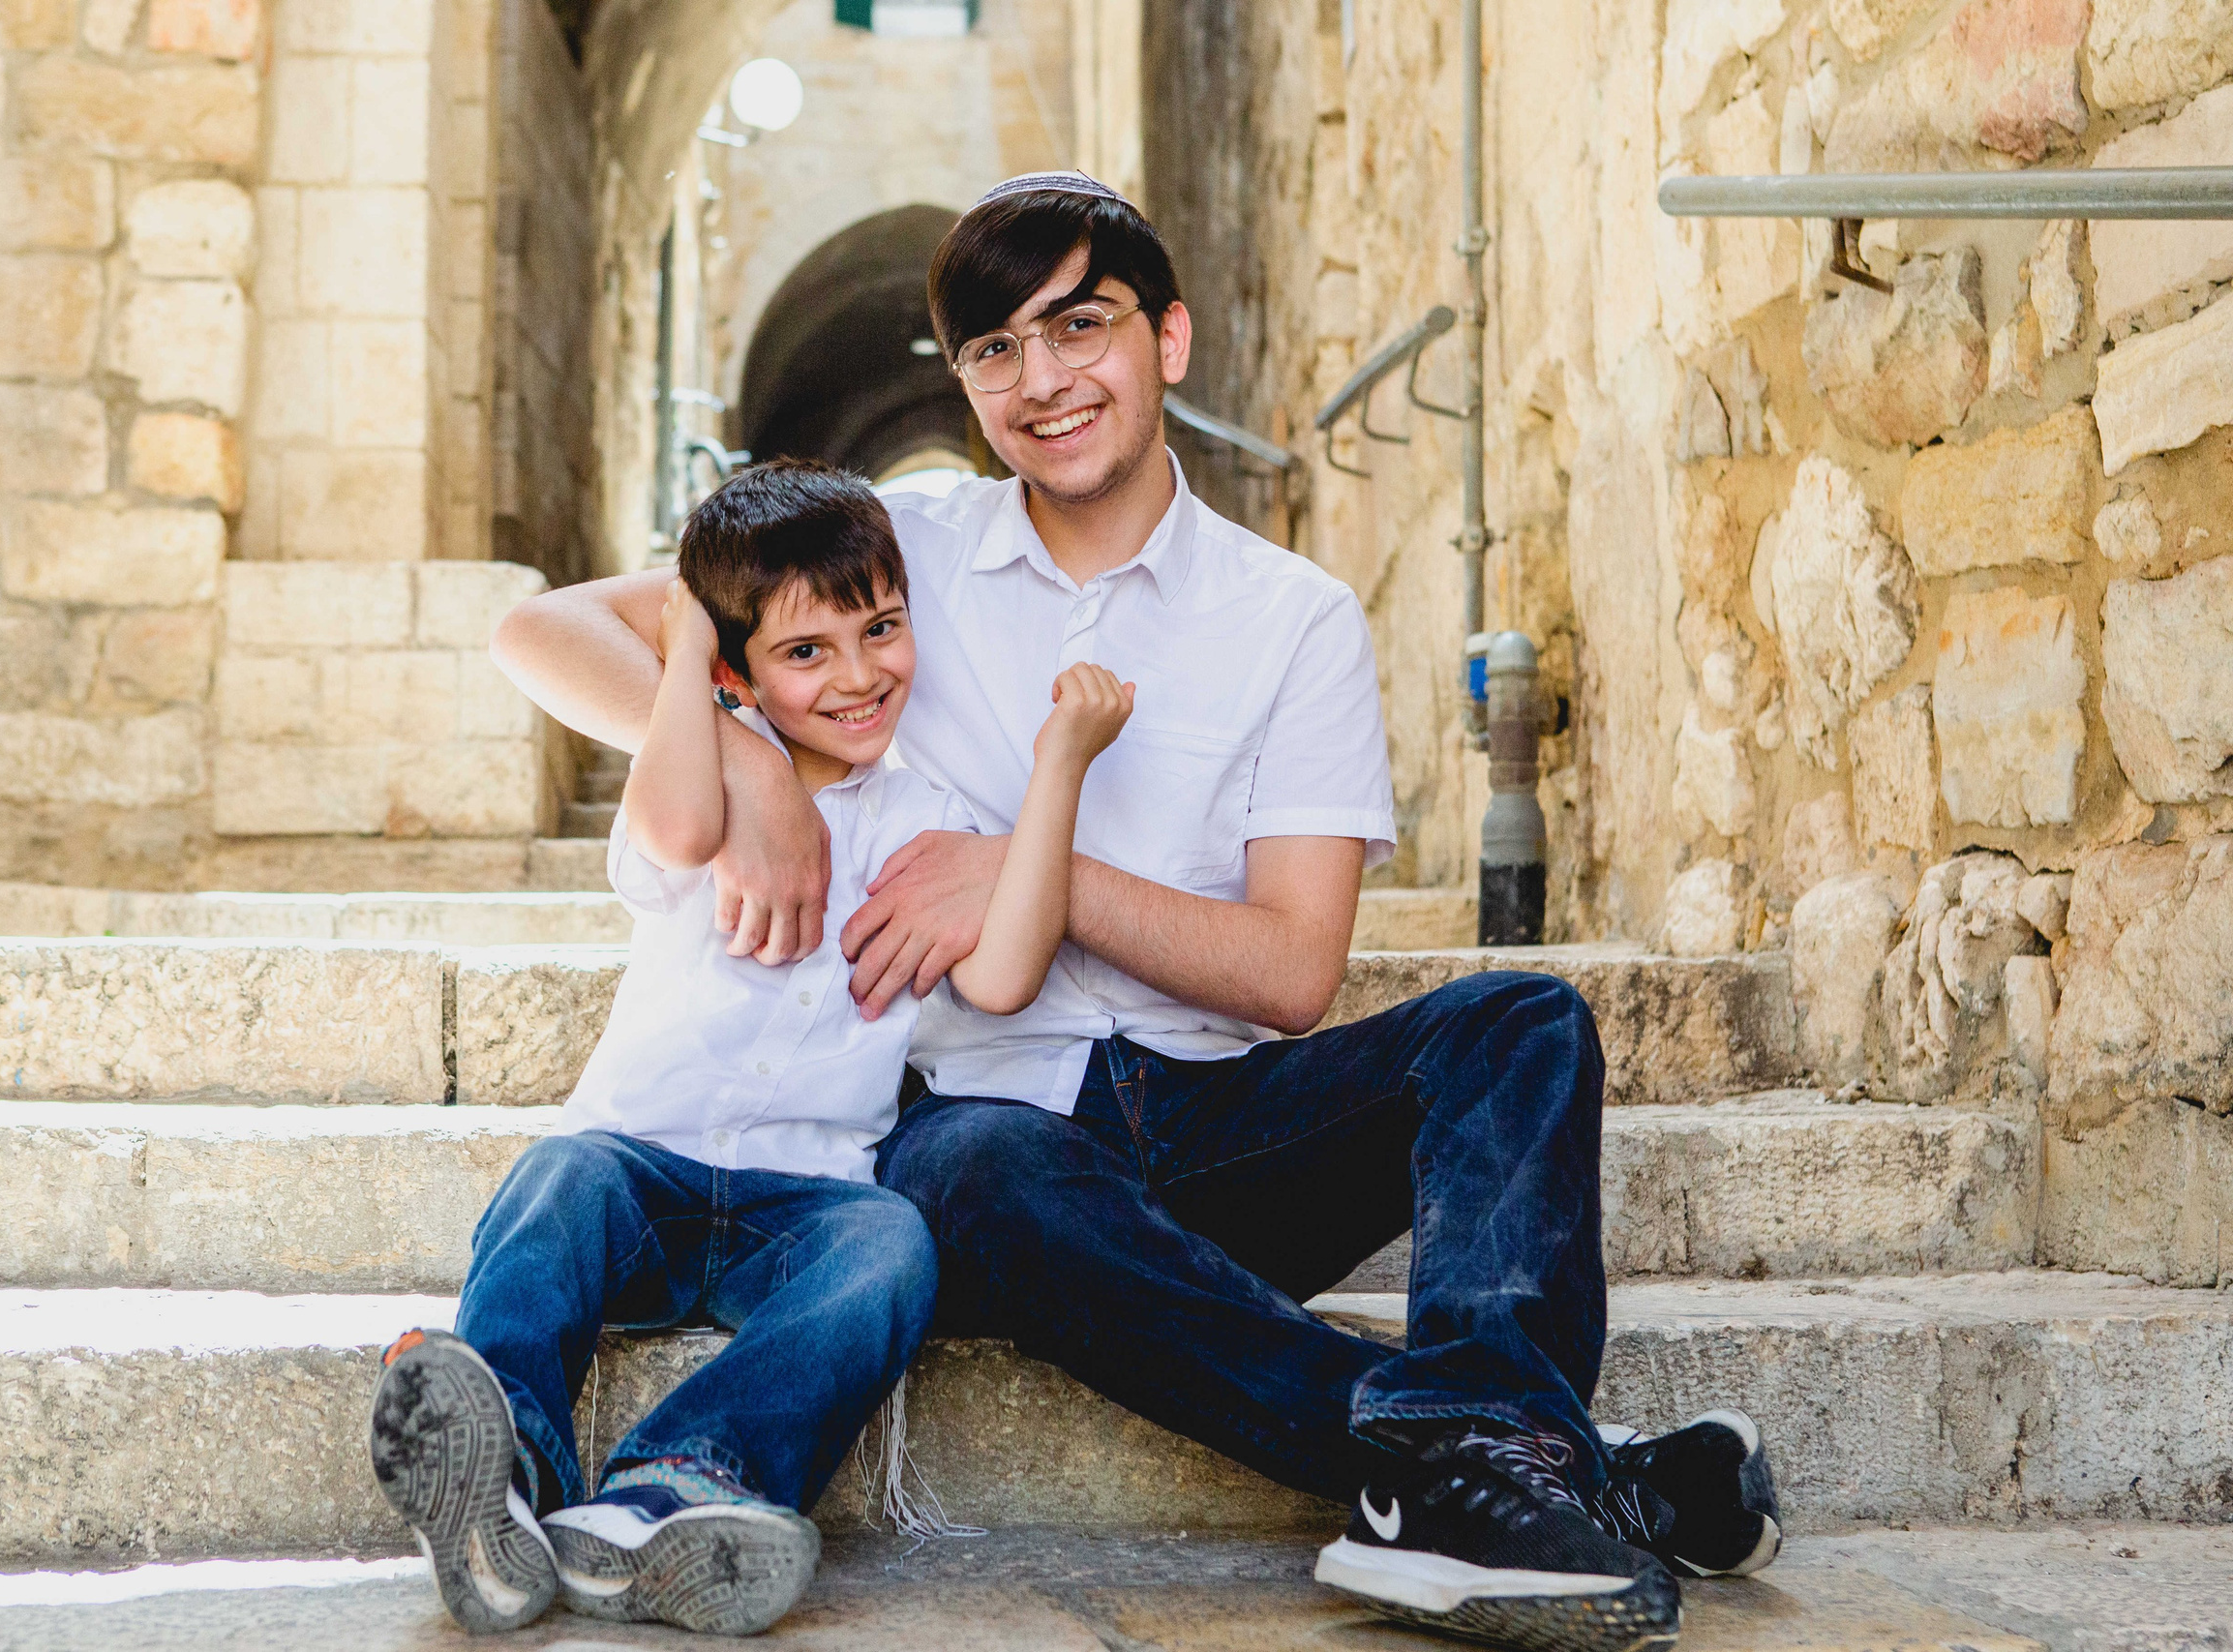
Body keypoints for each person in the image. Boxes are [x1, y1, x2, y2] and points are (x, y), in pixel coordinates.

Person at [490, 175, 1778, 1652]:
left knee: (1523, 1022)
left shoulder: (1291, 616)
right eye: (994, 352)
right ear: (967, 385)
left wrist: (1033, 875)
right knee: (974, 1157)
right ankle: (1523, 1468)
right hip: (990, 1137)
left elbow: (1294, 973)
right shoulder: (901, 554)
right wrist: (747, 759)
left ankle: (1486, 1444)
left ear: (1168, 338)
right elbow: (543, 628)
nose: (1040, 382)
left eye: (1080, 326)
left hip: (1225, 1125)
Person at [370, 459, 1134, 1637]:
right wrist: (693, 667)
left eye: (880, 629)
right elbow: (675, 823)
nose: (861, 673)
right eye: (805, 652)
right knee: (552, 1182)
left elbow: (1002, 973)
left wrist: (1058, 771)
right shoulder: (707, 790)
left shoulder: (929, 824)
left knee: (892, 1247)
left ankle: (674, 1491)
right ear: (740, 671)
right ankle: (501, 1485)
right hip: (639, 1166)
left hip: (807, 1194)